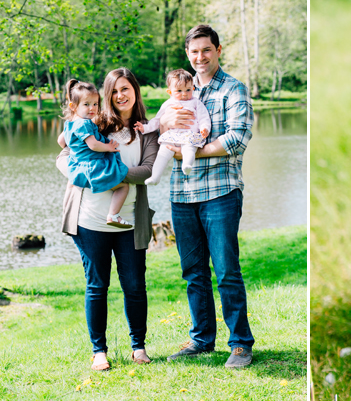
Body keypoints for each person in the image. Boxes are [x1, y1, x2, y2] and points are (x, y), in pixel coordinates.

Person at [157, 24, 255, 368]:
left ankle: (241, 344)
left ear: (218, 50)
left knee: (226, 269)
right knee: (193, 271)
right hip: (182, 194)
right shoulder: (178, 92)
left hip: (220, 192)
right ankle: (202, 339)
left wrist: (190, 151)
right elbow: (161, 135)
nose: (200, 57)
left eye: (206, 50)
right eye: (194, 51)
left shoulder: (233, 90)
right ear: (188, 54)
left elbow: (236, 140)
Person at [57, 68, 158, 371]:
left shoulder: (146, 130)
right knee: (97, 286)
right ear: (106, 96)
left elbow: (149, 170)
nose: (120, 96)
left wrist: (112, 175)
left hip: (129, 223)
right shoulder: (93, 122)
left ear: (135, 92)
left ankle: (138, 347)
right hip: (89, 220)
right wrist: (86, 175)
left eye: (125, 89)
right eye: (114, 91)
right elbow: (62, 154)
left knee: (135, 286)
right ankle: (99, 351)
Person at [57, 80, 132, 228]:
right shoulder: (84, 124)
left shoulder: (71, 123)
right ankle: (113, 215)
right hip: (93, 166)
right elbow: (93, 145)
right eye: (86, 104)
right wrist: (108, 147)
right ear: (73, 106)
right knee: (123, 187)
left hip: (80, 164)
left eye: (95, 104)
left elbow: (61, 141)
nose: (92, 108)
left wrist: (76, 149)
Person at [135, 69, 211, 185]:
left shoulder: (196, 103)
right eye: (179, 91)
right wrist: (145, 128)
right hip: (172, 136)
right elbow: (157, 120)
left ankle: (187, 165)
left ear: (193, 88)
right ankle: (155, 177)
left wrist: (204, 128)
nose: (184, 94)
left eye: (188, 90)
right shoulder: (167, 104)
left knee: (189, 148)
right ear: (169, 92)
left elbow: (203, 117)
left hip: (189, 135)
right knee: (162, 153)